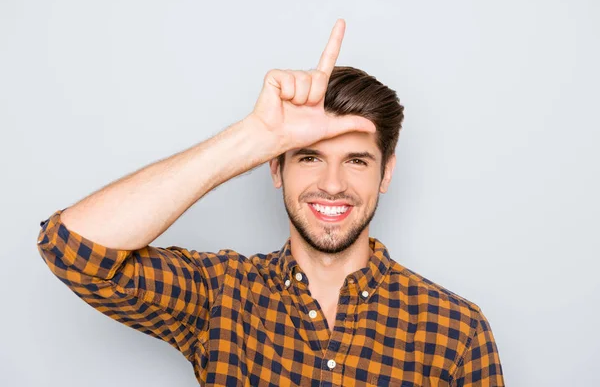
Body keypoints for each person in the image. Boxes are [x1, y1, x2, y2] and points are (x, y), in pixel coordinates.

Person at [37, 19, 504, 386]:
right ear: (275, 168)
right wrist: (254, 137)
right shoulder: (222, 296)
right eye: (308, 157)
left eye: (357, 161)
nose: (333, 184)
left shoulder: (457, 331)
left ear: (386, 174)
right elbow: (71, 247)